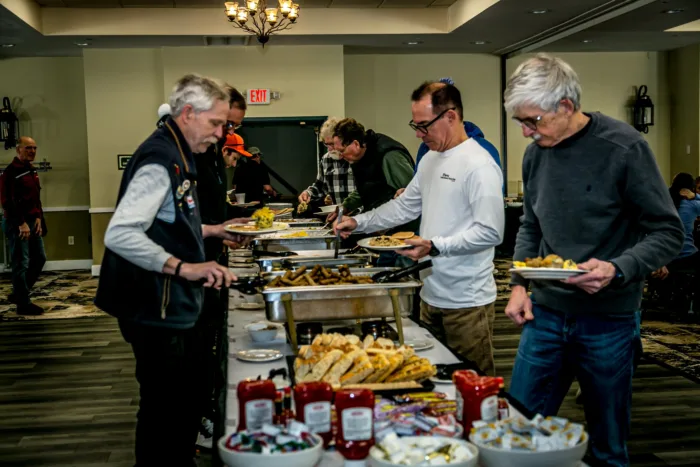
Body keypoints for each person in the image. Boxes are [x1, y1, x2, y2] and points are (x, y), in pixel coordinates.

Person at [503, 54, 684, 466]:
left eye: (534, 121)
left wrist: (618, 268)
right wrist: (518, 285)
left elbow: (668, 232)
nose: (527, 132)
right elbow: (531, 226)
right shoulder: (536, 156)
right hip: (545, 315)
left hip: (608, 319)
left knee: (607, 442)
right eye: (521, 123)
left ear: (565, 106)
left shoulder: (625, 147)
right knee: (518, 428)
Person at [95, 74, 250, 467]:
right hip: (152, 306)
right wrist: (184, 267)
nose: (220, 134)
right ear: (188, 114)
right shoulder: (161, 158)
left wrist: (214, 230)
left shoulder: (179, 152)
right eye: (216, 124)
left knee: (183, 402)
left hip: (163, 304)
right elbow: (122, 233)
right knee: (164, 411)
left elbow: (166, 222)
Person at [335, 81, 504, 374]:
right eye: (415, 124)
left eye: (424, 125)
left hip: (467, 301)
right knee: (431, 380)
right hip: (429, 293)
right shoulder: (429, 160)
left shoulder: (479, 164)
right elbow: (404, 207)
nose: (417, 133)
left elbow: (491, 232)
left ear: (450, 116)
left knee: (472, 383)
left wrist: (435, 245)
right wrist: (358, 222)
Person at [192, 86, 247, 450]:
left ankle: (205, 413)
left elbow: (207, 211)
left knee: (206, 347)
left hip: (207, 264)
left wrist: (221, 234)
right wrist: (214, 230)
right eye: (224, 125)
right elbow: (165, 224)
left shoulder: (209, 154)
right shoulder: (175, 155)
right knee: (192, 354)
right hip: (183, 277)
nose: (225, 134)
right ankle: (196, 422)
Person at [0, 136, 47, 316]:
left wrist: (38, 219)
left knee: (40, 258)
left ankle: (19, 293)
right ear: (18, 150)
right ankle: (23, 303)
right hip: (17, 223)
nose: (32, 151)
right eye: (28, 148)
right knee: (21, 263)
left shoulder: (31, 171)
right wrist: (21, 223)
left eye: (34, 148)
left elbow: (35, 198)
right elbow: (7, 202)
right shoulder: (10, 173)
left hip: (32, 221)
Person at [298, 117, 356, 208]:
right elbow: (320, 185)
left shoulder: (355, 157)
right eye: (326, 144)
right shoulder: (326, 159)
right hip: (337, 214)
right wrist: (308, 193)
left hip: (360, 214)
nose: (329, 149)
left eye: (332, 144)